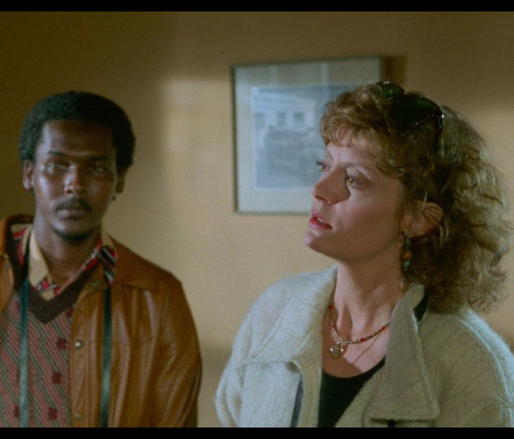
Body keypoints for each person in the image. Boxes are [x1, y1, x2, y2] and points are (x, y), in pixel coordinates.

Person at [216, 81, 514, 427]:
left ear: (418, 219)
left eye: (354, 180)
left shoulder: (473, 368)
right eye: (324, 165)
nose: (319, 189)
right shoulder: (274, 312)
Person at [0, 90, 202, 427]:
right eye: (57, 165)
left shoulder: (158, 297)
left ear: (119, 180)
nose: (74, 185)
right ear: (29, 173)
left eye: (97, 167)